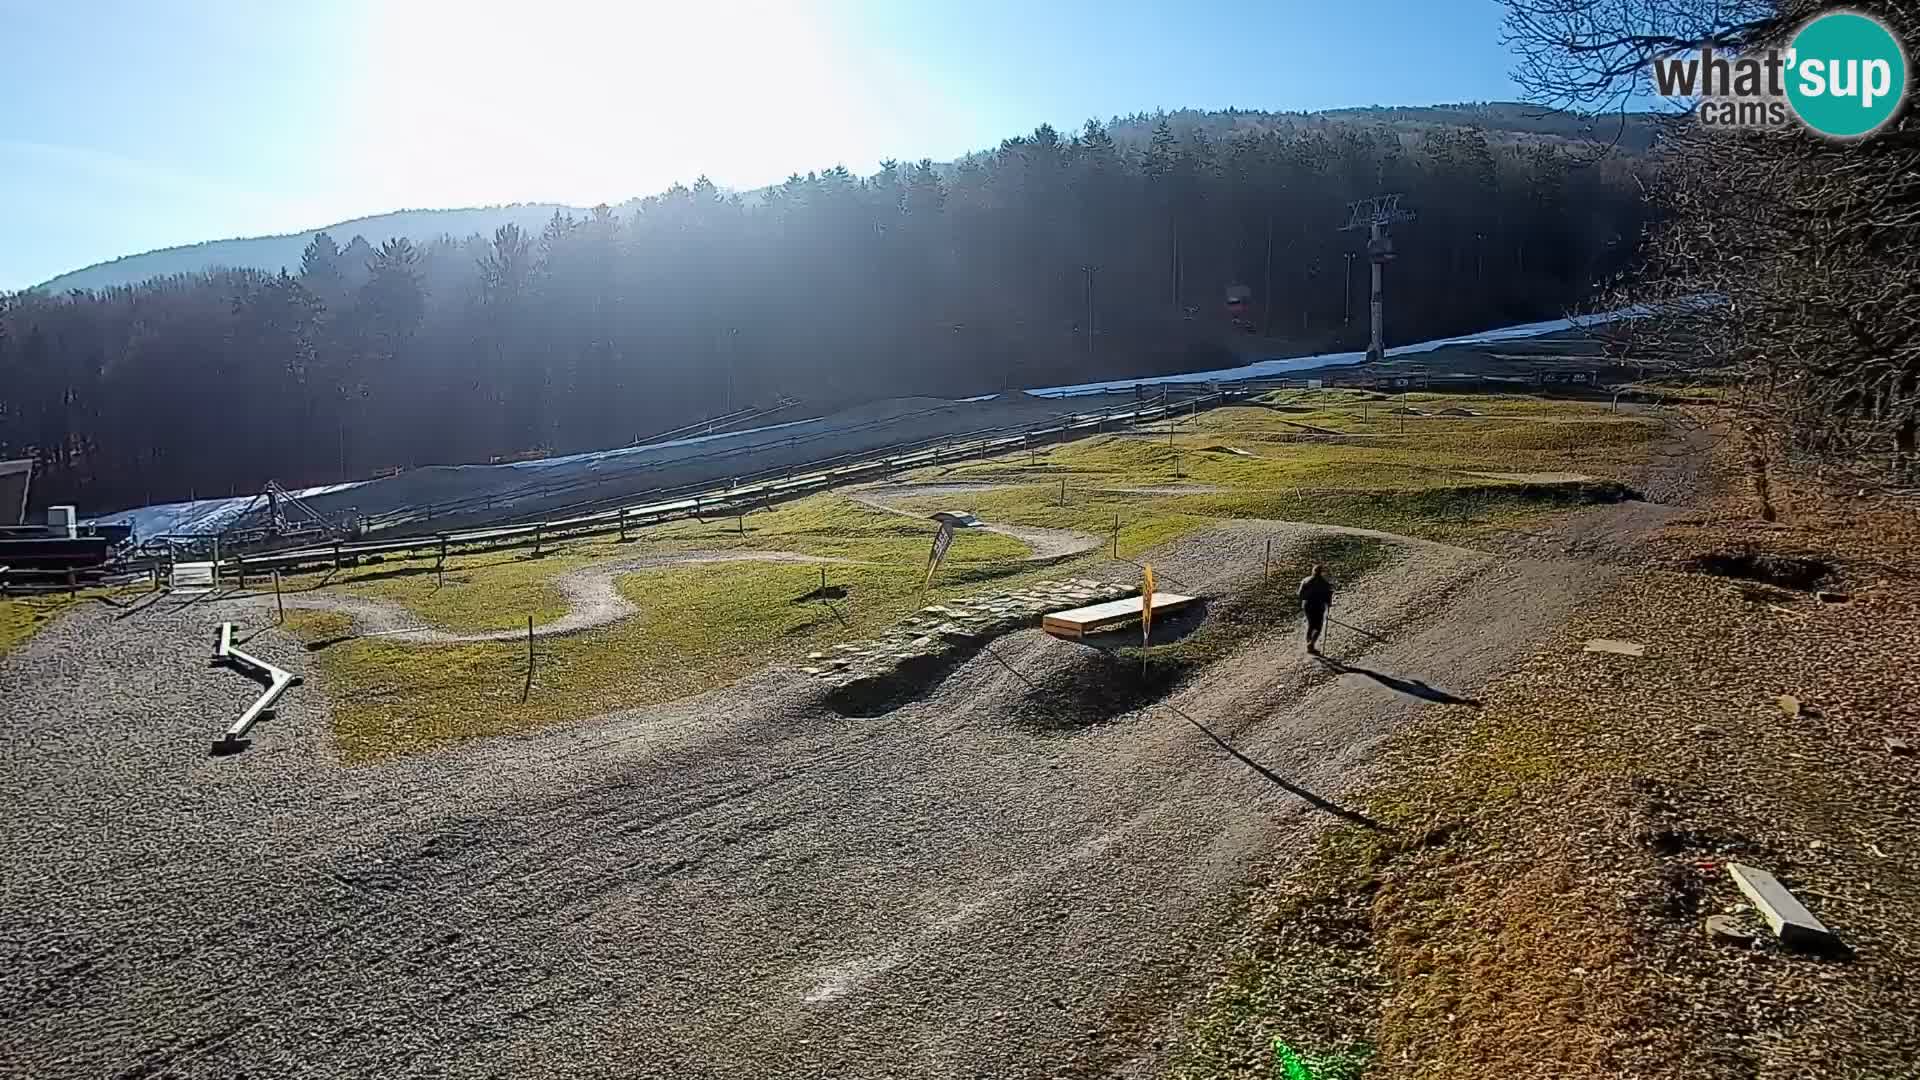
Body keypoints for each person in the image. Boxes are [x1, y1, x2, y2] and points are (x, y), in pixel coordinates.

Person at [1298, 563, 1334, 654]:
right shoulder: (1325, 584)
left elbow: (1300, 594)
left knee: (1310, 624)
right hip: (1319, 605)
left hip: (1307, 605)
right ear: (1322, 573)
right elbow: (1328, 598)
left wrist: (1305, 599)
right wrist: (1329, 603)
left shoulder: (1306, 581)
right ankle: (1311, 644)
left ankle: (1308, 643)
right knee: (1318, 626)